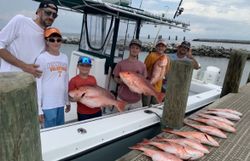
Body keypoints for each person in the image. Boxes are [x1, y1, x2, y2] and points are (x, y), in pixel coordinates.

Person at [0, 0, 58, 78]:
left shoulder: (48, 36)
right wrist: (24, 66)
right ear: (38, 11)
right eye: (48, 13)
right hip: (9, 80)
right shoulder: (20, 21)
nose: (51, 17)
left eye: (54, 15)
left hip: (29, 84)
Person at [36, 27, 70, 128]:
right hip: (47, 104)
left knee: (60, 130)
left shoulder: (65, 57)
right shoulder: (41, 58)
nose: (56, 42)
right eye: (52, 40)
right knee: (49, 132)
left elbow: (65, 81)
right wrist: (39, 109)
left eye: (58, 40)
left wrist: (67, 101)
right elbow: (38, 83)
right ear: (47, 41)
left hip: (60, 103)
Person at [113, 39, 147, 110]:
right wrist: (121, 81)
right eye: (133, 47)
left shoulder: (142, 65)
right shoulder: (120, 64)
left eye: (137, 48)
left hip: (137, 101)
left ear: (139, 50)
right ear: (129, 48)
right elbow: (115, 77)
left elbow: (144, 81)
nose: (135, 50)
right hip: (122, 99)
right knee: (120, 120)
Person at [69, 56, 102, 121]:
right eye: (82, 65)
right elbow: (69, 97)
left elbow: (97, 93)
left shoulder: (93, 78)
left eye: (87, 66)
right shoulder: (73, 80)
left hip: (97, 110)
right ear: (78, 66)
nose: (85, 67)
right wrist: (74, 99)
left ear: (90, 67)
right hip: (83, 113)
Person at [143, 39, 170, 105]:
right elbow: (144, 68)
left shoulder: (167, 58)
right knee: (145, 104)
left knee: (155, 104)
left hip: (158, 86)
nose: (160, 48)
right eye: (159, 46)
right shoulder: (151, 56)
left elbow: (166, 71)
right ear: (156, 47)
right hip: (148, 83)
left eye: (162, 46)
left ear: (165, 48)